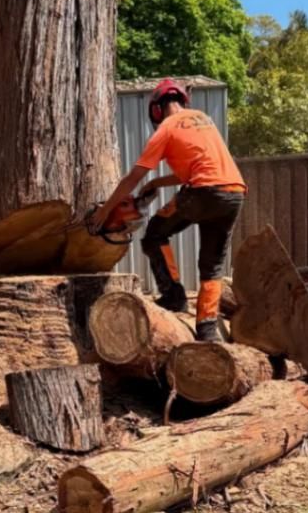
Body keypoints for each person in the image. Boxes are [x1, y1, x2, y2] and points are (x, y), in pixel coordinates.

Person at [90, 79, 245, 341]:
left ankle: (173, 296)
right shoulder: (202, 119)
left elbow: (133, 177)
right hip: (233, 194)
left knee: (154, 234)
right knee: (213, 265)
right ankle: (207, 331)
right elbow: (200, 166)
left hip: (200, 194)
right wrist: (157, 182)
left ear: (157, 108)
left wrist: (105, 211)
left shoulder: (166, 129)